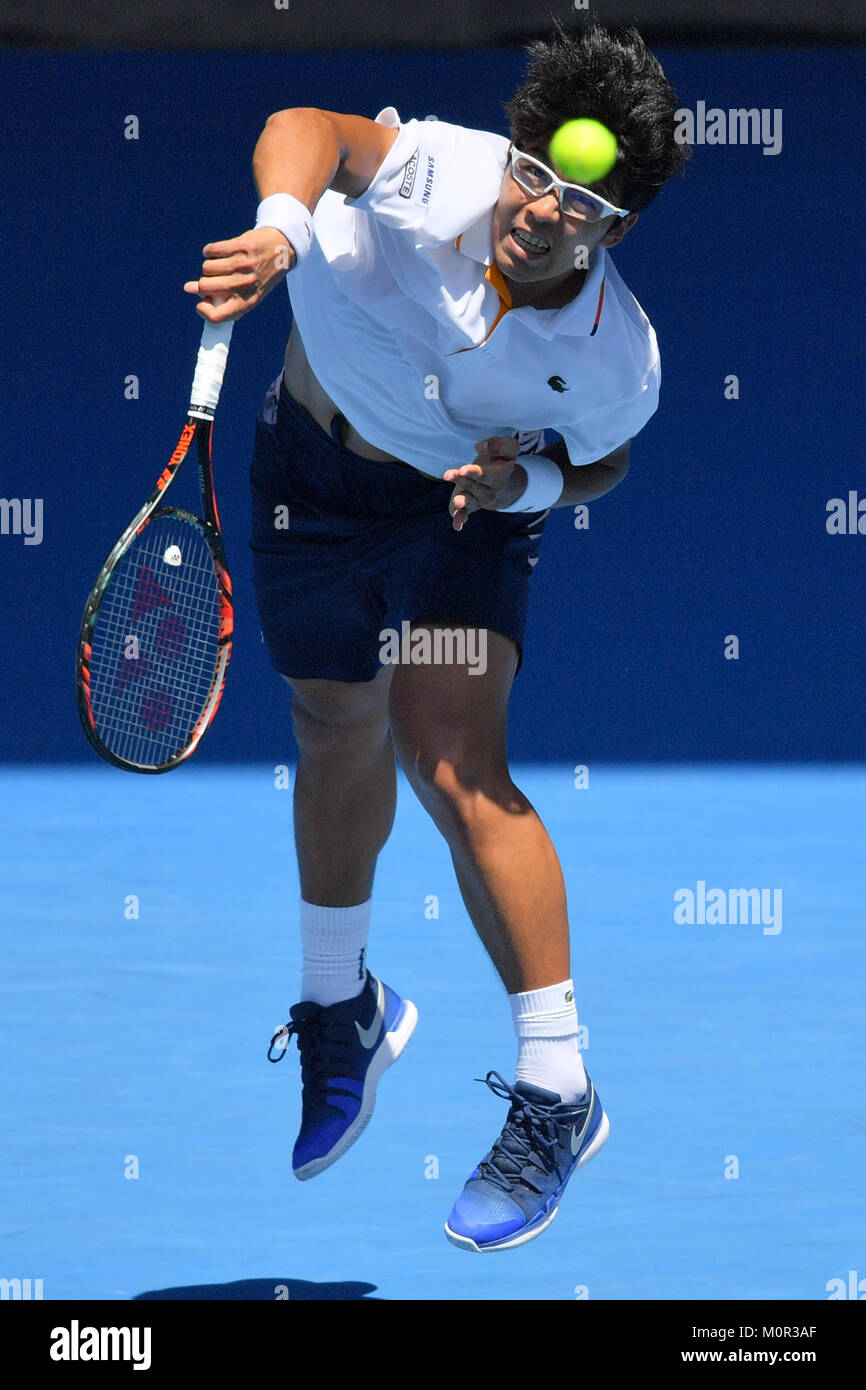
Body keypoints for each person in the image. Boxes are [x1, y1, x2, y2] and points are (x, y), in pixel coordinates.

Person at [184, 18, 688, 1252]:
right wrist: (279, 231)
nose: (538, 206)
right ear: (511, 150)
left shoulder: (616, 358)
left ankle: (558, 1089)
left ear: (610, 229)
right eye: (535, 170)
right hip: (308, 471)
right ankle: (338, 1002)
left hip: (459, 510)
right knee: (329, 719)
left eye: (577, 201)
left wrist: (524, 493)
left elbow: (601, 464)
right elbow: (309, 131)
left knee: (449, 752)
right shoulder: (442, 173)